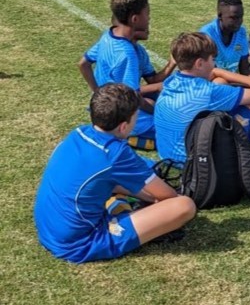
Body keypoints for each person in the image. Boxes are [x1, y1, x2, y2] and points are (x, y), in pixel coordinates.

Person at [33, 83, 196, 264]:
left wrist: (149, 196)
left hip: (50, 228)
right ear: (124, 127)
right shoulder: (116, 153)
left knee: (114, 186)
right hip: (78, 244)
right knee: (184, 205)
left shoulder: (78, 132)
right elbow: (169, 196)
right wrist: (155, 199)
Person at [154, 33, 250, 164]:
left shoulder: (169, 83)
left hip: (169, 158)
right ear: (199, 63)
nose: (214, 64)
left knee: (221, 83)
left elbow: (212, 78)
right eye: (212, 59)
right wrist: (248, 79)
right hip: (199, 162)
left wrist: (216, 72)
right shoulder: (208, 92)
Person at [78, 0, 176, 149]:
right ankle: (131, 137)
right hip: (123, 115)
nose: (149, 19)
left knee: (169, 89)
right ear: (135, 19)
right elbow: (135, 97)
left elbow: (83, 63)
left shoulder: (109, 37)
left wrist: (96, 93)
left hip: (106, 108)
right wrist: (156, 111)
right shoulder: (127, 54)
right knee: (174, 126)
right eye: (147, 14)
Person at [199, 0, 250, 74]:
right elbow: (210, 73)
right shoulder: (207, 34)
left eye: (241, 17)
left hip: (233, 82)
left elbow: (244, 69)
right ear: (220, 16)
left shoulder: (241, 32)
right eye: (233, 18)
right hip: (212, 82)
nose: (239, 22)